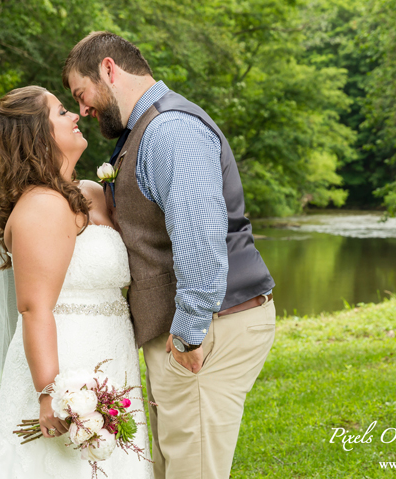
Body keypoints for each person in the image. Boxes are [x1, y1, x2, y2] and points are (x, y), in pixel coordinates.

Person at [63, 32, 277, 479]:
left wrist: (189, 333)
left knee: (191, 470)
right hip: (193, 333)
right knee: (173, 466)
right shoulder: (146, 129)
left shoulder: (169, 130)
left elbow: (200, 235)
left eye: (81, 95)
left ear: (108, 69)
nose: (83, 110)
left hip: (207, 330)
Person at [0, 86, 153, 479]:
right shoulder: (40, 207)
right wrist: (51, 392)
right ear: (38, 134)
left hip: (113, 355)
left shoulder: (93, 194)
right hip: (65, 363)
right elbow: (35, 308)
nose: (76, 116)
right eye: (63, 111)